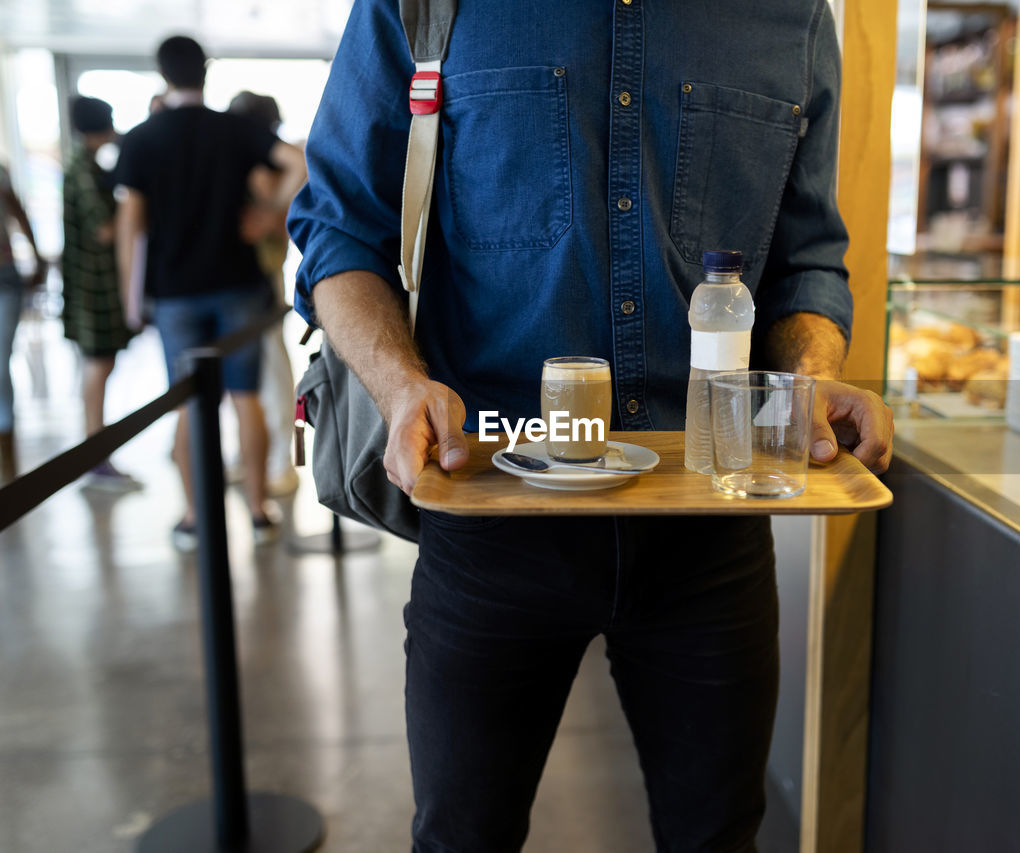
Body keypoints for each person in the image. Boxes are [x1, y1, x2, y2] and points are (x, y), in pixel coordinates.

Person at [288, 1, 894, 850]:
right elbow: (338, 228)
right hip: (489, 511)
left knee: (718, 835)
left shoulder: (789, 15)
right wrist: (400, 385)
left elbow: (807, 263)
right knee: (463, 835)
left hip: (707, 530)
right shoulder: (424, 5)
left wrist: (812, 380)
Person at [114, 35, 307, 550]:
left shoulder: (140, 138)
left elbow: (131, 223)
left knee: (189, 406)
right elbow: (298, 163)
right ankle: (260, 511)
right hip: (238, 285)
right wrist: (269, 216)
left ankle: (195, 517)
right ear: (206, 70)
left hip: (175, 292)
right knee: (246, 399)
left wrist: (130, 301)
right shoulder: (233, 129)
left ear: (162, 74)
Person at [61, 95, 140, 491]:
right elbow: (105, 230)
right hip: (93, 287)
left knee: (99, 366)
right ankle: (95, 456)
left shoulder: (88, 166)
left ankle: (97, 452)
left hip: (95, 285)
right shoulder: (83, 170)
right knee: (97, 366)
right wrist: (136, 203)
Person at [228, 91, 302, 496]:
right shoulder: (255, 159)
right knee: (253, 375)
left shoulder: (263, 164)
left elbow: (277, 221)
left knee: (269, 368)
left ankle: (278, 461)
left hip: (260, 277)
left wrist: (271, 211)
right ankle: (257, 456)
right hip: (250, 277)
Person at [0, 162, 49, 484]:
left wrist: (37, 256)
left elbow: (16, 209)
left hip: (4, 277)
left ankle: (9, 463)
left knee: (1, 366)